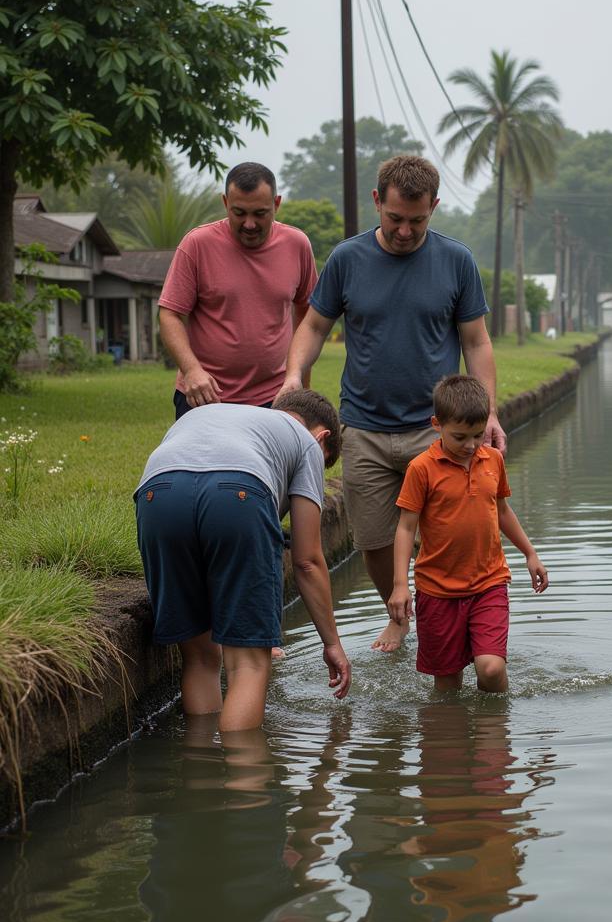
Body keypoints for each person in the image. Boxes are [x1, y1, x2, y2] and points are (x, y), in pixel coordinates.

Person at [280, 154, 505, 653]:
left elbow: (477, 341)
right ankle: (399, 615)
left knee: (450, 533)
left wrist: (487, 412)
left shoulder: (456, 260)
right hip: (363, 424)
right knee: (375, 540)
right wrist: (294, 374)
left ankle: (448, 617)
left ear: (434, 208)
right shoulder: (347, 259)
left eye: (418, 221)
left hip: (437, 429)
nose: (405, 231)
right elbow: (315, 325)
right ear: (378, 202)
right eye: (396, 219)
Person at [135, 389, 352, 731]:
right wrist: (332, 644)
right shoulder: (308, 444)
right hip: (237, 493)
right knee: (248, 664)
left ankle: (201, 763)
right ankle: (243, 778)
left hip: (157, 496)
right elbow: (307, 560)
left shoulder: (215, 416)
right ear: (322, 436)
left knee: (201, 659)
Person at [387, 375, 547, 693]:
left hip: (489, 583)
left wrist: (530, 553)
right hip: (437, 591)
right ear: (437, 424)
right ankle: (451, 737)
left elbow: (501, 510)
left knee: (490, 667)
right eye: (460, 437)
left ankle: (495, 730)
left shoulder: (493, 460)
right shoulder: (422, 469)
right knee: (447, 685)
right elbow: (406, 528)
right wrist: (399, 585)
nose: (471, 445)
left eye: (477, 435)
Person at [159, 162, 317, 421]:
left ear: (276, 204)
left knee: (272, 463)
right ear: (225, 202)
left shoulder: (297, 244)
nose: (250, 224)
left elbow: (308, 315)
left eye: (260, 213)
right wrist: (191, 371)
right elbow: (169, 315)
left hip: (275, 396)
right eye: (239, 213)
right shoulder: (197, 244)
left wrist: (297, 378)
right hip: (205, 394)